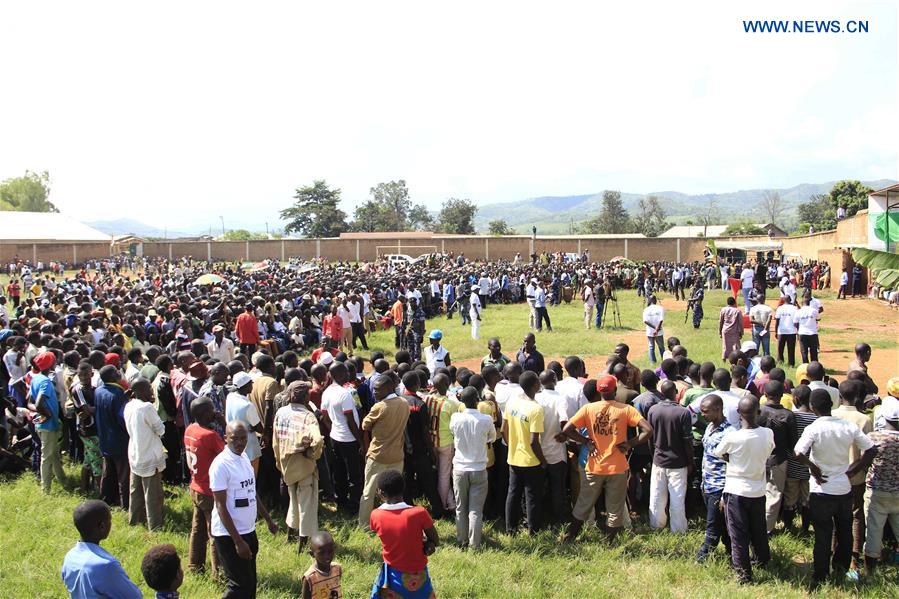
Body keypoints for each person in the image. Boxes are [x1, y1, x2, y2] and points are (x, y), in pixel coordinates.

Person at [793, 389, 877, 585]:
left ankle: (820, 575)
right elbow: (871, 449)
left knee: (822, 534)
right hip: (843, 489)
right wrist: (852, 471)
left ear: (813, 408)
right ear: (831, 405)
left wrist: (813, 468)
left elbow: (798, 453)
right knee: (844, 531)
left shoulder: (813, 428)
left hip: (820, 491)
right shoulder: (847, 427)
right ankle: (840, 570)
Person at [562, 375, 652, 542]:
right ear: (615, 390)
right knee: (615, 507)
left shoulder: (588, 409)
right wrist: (629, 443)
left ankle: (570, 536)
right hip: (617, 466)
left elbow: (567, 429)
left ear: (598, 391)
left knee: (583, 503)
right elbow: (647, 430)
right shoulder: (625, 410)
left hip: (594, 466)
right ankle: (608, 541)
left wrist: (586, 442)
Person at [210, 421, 279, 599]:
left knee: (250, 586)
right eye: (235, 439)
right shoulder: (221, 465)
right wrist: (237, 541)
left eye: (243, 438)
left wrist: (268, 520)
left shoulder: (244, 460)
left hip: (248, 530)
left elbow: (251, 492)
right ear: (226, 438)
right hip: (229, 535)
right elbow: (220, 506)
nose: (240, 443)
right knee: (239, 587)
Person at [714, 397, 775, 584]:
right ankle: (762, 560)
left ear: (739, 414)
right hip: (758, 490)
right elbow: (770, 451)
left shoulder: (732, 437)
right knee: (758, 528)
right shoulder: (768, 433)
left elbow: (719, 452)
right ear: (758, 412)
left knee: (738, 534)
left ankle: (743, 575)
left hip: (736, 491)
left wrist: (732, 459)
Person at [369, 469, 440, 599]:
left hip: (393, 575)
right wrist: (427, 543)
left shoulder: (376, 515)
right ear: (403, 489)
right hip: (420, 575)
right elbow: (435, 539)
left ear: (381, 493)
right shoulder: (419, 513)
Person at [272, 381, 324, 551]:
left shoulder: (280, 412)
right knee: (306, 505)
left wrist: (280, 463)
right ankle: (304, 544)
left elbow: (276, 441)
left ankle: (290, 535)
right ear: (306, 397)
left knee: (293, 502)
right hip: (304, 466)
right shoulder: (308, 416)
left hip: (286, 465)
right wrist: (312, 454)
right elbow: (317, 440)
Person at [832, 380, 874, 569]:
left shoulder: (831, 415)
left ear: (840, 396)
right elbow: (869, 451)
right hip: (855, 476)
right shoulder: (864, 420)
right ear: (859, 398)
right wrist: (859, 469)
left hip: (833, 476)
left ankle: (834, 551)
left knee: (835, 515)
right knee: (856, 515)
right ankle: (854, 557)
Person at [61, 499, 142, 599]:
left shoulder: (70, 556)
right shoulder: (106, 566)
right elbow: (135, 597)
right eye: (110, 520)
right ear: (102, 526)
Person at [450, 385, 495, 549]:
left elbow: (452, 432)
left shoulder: (455, 417)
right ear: (477, 400)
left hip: (460, 468)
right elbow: (492, 437)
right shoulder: (486, 419)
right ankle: (474, 544)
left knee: (461, 508)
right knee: (475, 509)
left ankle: (461, 540)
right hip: (479, 469)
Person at [184, 396, 225, 574]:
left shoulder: (190, 429)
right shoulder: (210, 435)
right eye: (211, 409)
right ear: (204, 413)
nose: (214, 412)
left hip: (195, 485)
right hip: (210, 490)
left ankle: (194, 564)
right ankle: (220, 572)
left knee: (197, 530)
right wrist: (224, 423)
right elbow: (229, 455)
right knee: (215, 532)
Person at [502, 370, 546, 534]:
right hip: (531, 461)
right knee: (532, 497)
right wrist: (543, 461)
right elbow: (534, 441)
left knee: (513, 494)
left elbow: (503, 429)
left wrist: (512, 445)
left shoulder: (512, 402)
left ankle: (510, 529)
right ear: (535, 385)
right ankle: (533, 531)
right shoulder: (536, 409)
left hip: (513, 458)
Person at [647, 383, 693, 533]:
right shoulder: (683, 413)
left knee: (656, 496)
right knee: (677, 498)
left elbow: (649, 437)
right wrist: (690, 462)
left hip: (659, 460)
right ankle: (678, 529)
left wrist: (653, 455)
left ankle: (656, 524)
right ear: (676, 392)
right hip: (678, 463)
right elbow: (687, 441)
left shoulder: (653, 410)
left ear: (661, 392)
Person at [123, 377, 166, 530]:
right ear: (140, 391)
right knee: (152, 494)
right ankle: (155, 526)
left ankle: (134, 520)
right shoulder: (147, 407)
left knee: (135, 491)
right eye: (148, 388)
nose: (151, 390)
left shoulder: (129, 405)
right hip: (149, 455)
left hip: (135, 453)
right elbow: (160, 430)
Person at [862, 401, 899, 573]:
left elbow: (864, 461)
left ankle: (869, 571)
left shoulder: (874, 437)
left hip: (877, 490)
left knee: (874, 531)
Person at [322, 362, 363, 513]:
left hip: (335, 437)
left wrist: (333, 429)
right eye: (345, 372)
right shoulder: (344, 393)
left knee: (339, 472)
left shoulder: (327, 392)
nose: (348, 375)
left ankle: (341, 502)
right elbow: (350, 420)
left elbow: (324, 416)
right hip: (348, 439)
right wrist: (360, 441)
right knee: (354, 475)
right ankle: (353, 506)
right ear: (338, 374)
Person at [758, 380, 797, 535]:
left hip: (757, 458)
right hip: (778, 460)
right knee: (774, 494)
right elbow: (793, 443)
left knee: (758, 492)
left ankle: (757, 525)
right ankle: (766, 529)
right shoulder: (788, 416)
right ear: (782, 395)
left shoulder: (757, 412)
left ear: (764, 395)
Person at [696, 394, 732, 561]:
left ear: (718, 410)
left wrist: (726, 492)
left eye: (706, 411)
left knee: (712, 526)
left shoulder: (730, 433)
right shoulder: (710, 427)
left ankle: (702, 558)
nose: (702, 414)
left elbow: (733, 464)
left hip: (720, 487)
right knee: (722, 524)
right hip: (707, 484)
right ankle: (733, 553)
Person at [28, 351, 67, 493]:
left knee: (54, 453)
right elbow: (38, 403)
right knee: (47, 456)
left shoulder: (36, 378)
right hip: (47, 425)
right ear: (50, 364)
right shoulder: (44, 382)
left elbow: (29, 401)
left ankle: (62, 479)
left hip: (43, 424)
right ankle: (45, 489)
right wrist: (47, 414)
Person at [535, 369, 570, 526]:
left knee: (538, 488)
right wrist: (565, 435)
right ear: (555, 380)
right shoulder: (560, 399)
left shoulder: (535, 398)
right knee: (558, 489)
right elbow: (564, 420)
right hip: (556, 452)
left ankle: (540, 518)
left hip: (537, 451)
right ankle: (560, 521)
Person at [95, 364, 131, 509]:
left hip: (104, 438)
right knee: (123, 475)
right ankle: (126, 505)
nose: (119, 373)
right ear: (112, 376)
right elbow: (122, 419)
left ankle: (106, 499)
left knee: (108, 472)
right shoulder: (117, 393)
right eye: (116, 372)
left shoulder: (98, 391)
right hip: (119, 440)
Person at [225, 372, 264, 473]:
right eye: (251, 383)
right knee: (251, 477)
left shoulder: (230, 397)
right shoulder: (247, 405)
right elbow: (259, 428)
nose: (252, 385)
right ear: (246, 386)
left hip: (233, 443)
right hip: (248, 446)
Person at [301, 531, 342, 599]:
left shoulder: (337, 569)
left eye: (330, 551)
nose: (327, 556)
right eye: (321, 553)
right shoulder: (310, 578)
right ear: (312, 554)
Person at [774, 296, 798, 367]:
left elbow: (777, 320)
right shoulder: (794, 308)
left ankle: (780, 361)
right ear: (790, 300)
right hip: (792, 331)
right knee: (791, 348)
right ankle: (791, 363)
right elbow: (796, 321)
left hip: (781, 331)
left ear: (783, 300)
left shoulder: (780, 308)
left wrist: (776, 331)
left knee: (780, 347)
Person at [718, 297, 744, 362]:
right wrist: (741, 332)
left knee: (725, 345)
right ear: (734, 303)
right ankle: (736, 359)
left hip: (725, 330)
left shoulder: (723, 310)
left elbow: (720, 321)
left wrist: (720, 331)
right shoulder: (737, 311)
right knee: (735, 346)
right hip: (734, 331)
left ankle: (724, 358)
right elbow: (741, 323)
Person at [642, 295, 664, 364]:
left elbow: (645, 321)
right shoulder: (660, 308)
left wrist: (654, 328)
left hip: (650, 332)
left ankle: (652, 362)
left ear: (650, 300)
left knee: (651, 347)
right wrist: (657, 329)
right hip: (659, 332)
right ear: (655, 300)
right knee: (661, 347)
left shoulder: (646, 309)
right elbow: (661, 320)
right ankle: (664, 361)